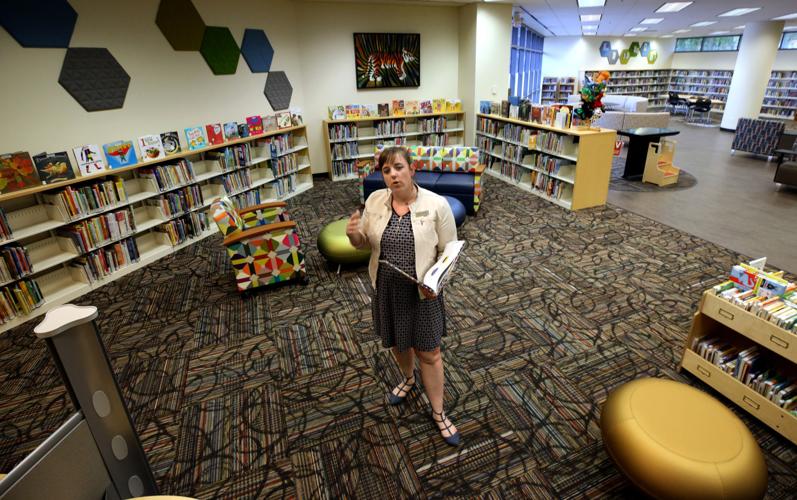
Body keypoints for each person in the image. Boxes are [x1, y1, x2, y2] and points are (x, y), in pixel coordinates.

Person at [345, 146, 460, 446]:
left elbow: (450, 252)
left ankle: (438, 412)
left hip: (423, 293)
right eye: (386, 170)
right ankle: (408, 379)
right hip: (387, 287)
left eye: (398, 167)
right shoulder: (375, 200)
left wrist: (436, 282)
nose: (393, 174)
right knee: (397, 341)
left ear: (412, 169)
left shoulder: (436, 205)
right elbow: (363, 245)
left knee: (430, 352)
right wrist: (353, 234)